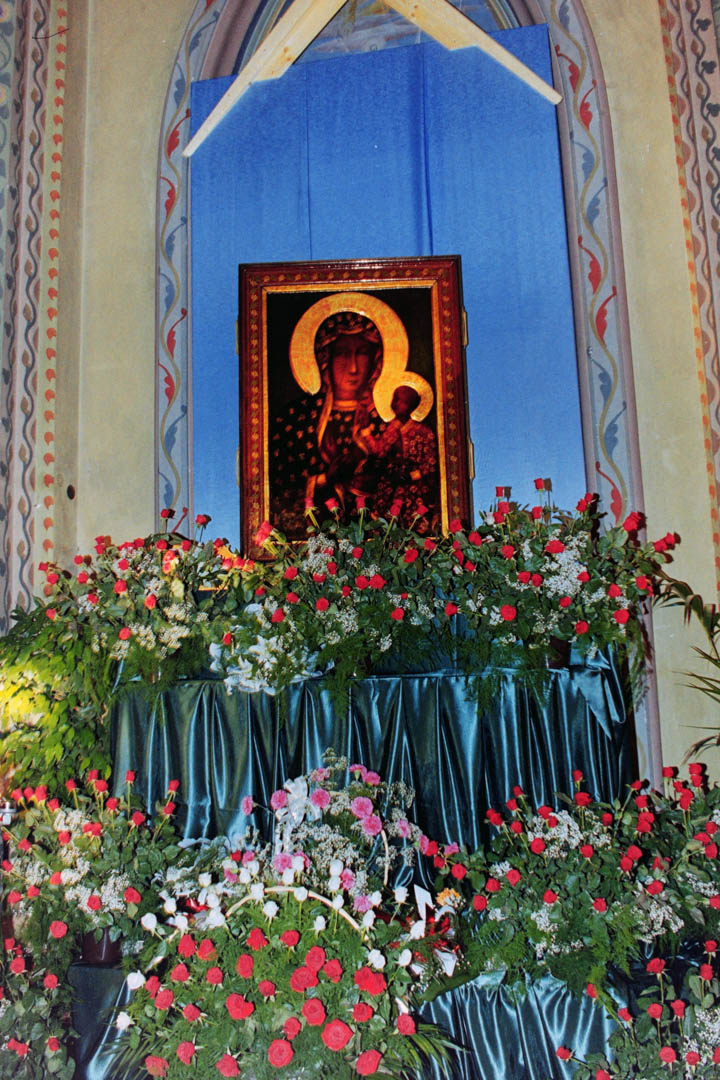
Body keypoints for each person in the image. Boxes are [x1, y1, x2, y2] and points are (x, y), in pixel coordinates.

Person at [269, 311, 387, 534]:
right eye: (342, 354)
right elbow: (277, 490)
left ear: (375, 360)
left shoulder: (383, 422)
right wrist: (324, 479)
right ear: (325, 359)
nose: (353, 368)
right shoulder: (296, 418)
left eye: (362, 353)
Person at [354, 383, 439, 528]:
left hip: (414, 486)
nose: (395, 404)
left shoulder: (424, 432)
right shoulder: (392, 429)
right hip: (391, 482)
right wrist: (366, 432)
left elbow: (430, 463)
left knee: (413, 522)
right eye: (394, 399)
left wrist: (411, 476)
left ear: (410, 405)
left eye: (400, 400)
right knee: (384, 521)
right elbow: (379, 450)